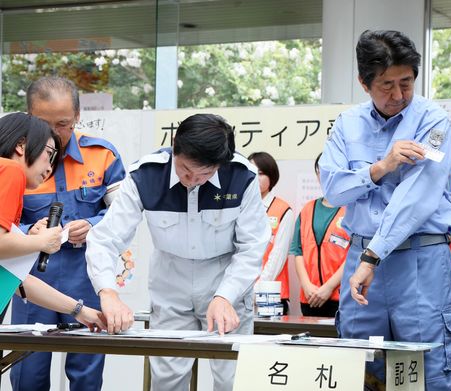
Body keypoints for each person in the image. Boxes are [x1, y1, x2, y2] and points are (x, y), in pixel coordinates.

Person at [86, 113, 270, 391]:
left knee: (234, 376)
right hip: (170, 282)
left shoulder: (241, 177)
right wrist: (108, 292)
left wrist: (226, 295)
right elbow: (105, 238)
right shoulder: (145, 176)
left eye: (206, 174)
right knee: (167, 378)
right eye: (185, 170)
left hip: (225, 279)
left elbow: (252, 246)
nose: (193, 181)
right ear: (174, 146)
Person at [319, 30, 451, 389]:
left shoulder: (433, 122)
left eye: (406, 83)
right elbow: (334, 190)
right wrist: (380, 168)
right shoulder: (347, 125)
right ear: (364, 83)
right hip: (362, 259)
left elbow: (416, 198)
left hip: (420, 261)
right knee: (358, 365)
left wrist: (372, 257)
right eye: (386, 85)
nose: (398, 95)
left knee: (428, 370)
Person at [10, 77, 126, 391]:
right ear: (28, 115)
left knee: (87, 374)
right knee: (26, 373)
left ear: (77, 115)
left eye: (62, 123)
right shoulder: (14, 162)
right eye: (42, 123)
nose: (52, 134)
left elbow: (124, 216)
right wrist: (27, 232)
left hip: (87, 277)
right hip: (31, 279)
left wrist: (94, 225)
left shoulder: (103, 155)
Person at [0, 112, 106, 330]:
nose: (50, 167)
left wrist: (80, 310)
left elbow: (17, 280)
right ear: (21, 145)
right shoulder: (10, 170)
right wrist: (43, 242)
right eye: (49, 154)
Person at [290, 153, 349, 317]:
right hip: (310, 298)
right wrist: (307, 286)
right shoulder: (307, 209)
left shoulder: (353, 210)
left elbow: (356, 254)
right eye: (321, 170)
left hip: (341, 297)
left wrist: (329, 287)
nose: (326, 176)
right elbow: (297, 251)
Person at [248, 151, 294, 315]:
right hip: (240, 293)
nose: (255, 178)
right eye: (252, 172)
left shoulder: (283, 210)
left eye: (261, 173)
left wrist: (257, 289)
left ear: (271, 176)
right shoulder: (240, 207)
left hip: (270, 295)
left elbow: (278, 256)